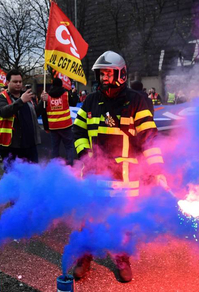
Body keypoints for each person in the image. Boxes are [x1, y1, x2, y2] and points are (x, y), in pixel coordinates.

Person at [71, 51, 165, 283]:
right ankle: (85, 258)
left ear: (120, 74)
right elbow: (78, 129)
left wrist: (158, 169)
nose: (103, 78)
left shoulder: (137, 100)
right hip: (95, 174)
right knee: (89, 219)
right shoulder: (91, 100)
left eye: (107, 74)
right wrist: (85, 154)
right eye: (100, 74)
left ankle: (122, 259)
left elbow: (148, 136)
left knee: (122, 222)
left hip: (126, 178)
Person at [0, 70, 41, 164]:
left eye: (20, 81)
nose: (18, 84)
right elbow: (3, 112)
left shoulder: (27, 97)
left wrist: (43, 102)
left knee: (32, 175)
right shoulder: (0, 98)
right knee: (15, 176)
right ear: (7, 83)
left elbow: (35, 114)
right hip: (12, 146)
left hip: (30, 144)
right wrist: (21, 101)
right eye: (15, 82)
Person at [39, 78, 75, 165]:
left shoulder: (47, 96)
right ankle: (70, 166)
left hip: (53, 127)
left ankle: (55, 167)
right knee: (69, 147)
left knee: (55, 148)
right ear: (61, 84)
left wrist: (46, 127)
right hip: (65, 126)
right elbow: (74, 102)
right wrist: (73, 94)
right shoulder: (66, 94)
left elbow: (43, 112)